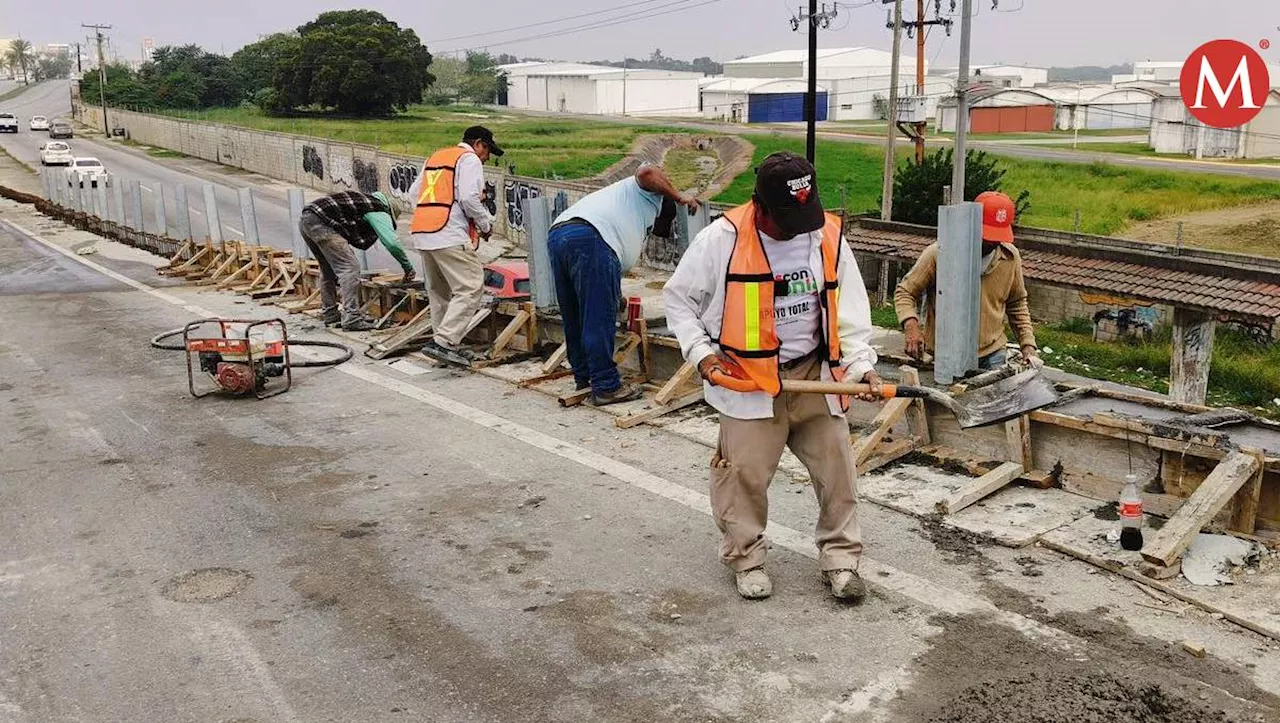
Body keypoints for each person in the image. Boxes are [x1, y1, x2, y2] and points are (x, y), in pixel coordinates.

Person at [663, 152, 881, 601]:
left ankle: (841, 560)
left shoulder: (827, 237)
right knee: (743, 476)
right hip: (748, 380)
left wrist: (861, 365)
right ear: (759, 206)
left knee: (837, 468)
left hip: (813, 375)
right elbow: (679, 302)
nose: (798, 228)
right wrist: (703, 356)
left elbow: (852, 311)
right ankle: (747, 559)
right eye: (786, 218)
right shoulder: (720, 240)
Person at [549, 165, 698, 405]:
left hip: (561, 234)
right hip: (590, 238)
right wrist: (680, 196)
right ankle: (606, 386)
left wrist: (614, 297)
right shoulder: (646, 192)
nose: (655, 230)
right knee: (598, 318)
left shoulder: (622, 205)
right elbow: (646, 172)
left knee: (575, 315)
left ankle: (585, 377)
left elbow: (608, 265)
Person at [894, 190, 1039, 370]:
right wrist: (911, 325)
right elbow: (905, 292)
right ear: (971, 223)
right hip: (946, 354)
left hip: (992, 352)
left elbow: (1017, 303)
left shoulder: (1010, 258)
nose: (991, 243)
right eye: (986, 236)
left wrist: (1028, 345)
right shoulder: (940, 254)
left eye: (997, 238)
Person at [410, 126, 502, 366]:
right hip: (447, 233)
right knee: (471, 285)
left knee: (439, 291)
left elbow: (413, 194)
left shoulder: (437, 157)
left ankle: (442, 345)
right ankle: (444, 342)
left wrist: (431, 215)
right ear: (479, 143)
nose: (487, 157)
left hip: (423, 232)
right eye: (488, 150)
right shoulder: (469, 159)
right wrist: (485, 224)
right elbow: (469, 198)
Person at [299, 190, 415, 331]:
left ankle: (330, 314)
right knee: (349, 268)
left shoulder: (363, 201)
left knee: (328, 269)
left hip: (307, 219)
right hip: (321, 223)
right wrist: (407, 267)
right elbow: (392, 243)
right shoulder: (378, 210)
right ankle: (352, 318)